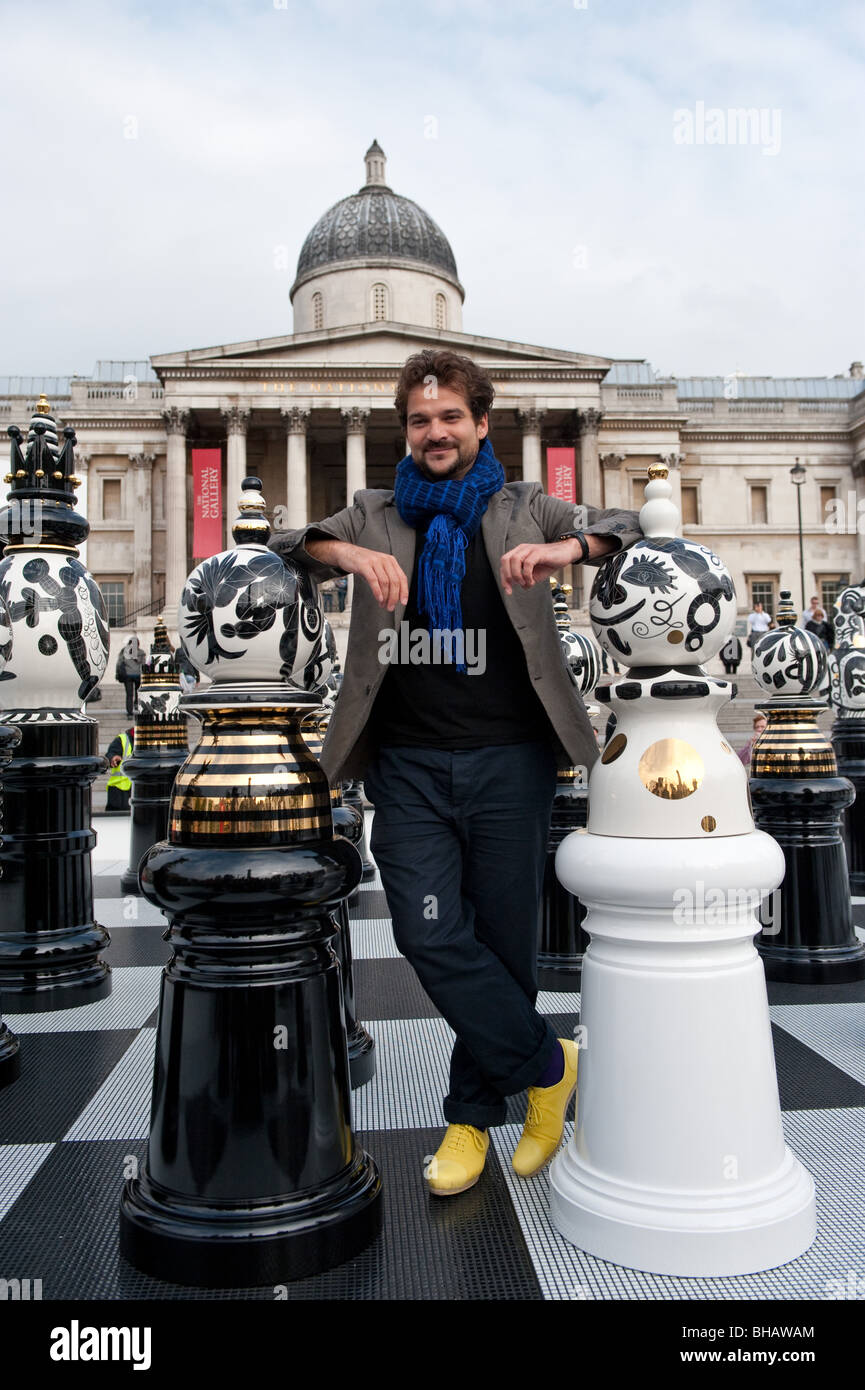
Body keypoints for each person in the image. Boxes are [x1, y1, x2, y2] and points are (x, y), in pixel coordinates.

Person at [268, 348, 642, 1197]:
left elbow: (629, 525)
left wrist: (568, 550)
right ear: (404, 429)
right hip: (406, 765)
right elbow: (288, 540)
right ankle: (549, 1064)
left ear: (479, 423)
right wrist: (351, 557)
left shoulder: (524, 507)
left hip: (510, 761)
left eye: (448, 418)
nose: (433, 432)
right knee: (428, 933)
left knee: (503, 949)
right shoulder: (373, 510)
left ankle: (469, 1119)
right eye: (418, 420)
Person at [105, 726, 134, 811]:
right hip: (119, 790)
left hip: (137, 789)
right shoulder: (122, 739)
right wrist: (113, 758)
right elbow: (110, 754)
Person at [115, 636, 144, 716]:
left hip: (128, 675)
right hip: (137, 675)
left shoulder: (124, 651)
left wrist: (117, 673)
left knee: (129, 694)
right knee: (137, 692)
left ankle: (129, 710)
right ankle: (136, 705)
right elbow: (143, 663)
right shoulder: (141, 652)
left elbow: (119, 663)